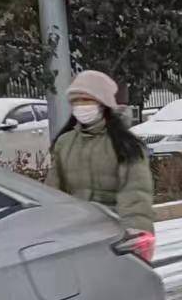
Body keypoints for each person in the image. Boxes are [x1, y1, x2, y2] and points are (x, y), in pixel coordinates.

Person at [47, 70, 155, 253]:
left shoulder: (125, 145)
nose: (81, 106)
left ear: (102, 104)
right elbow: (53, 192)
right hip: (76, 238)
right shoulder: (65, 144)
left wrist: (135, 235)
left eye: (87, 100)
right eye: (76, 101)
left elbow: (136, 194)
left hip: (115, 238)